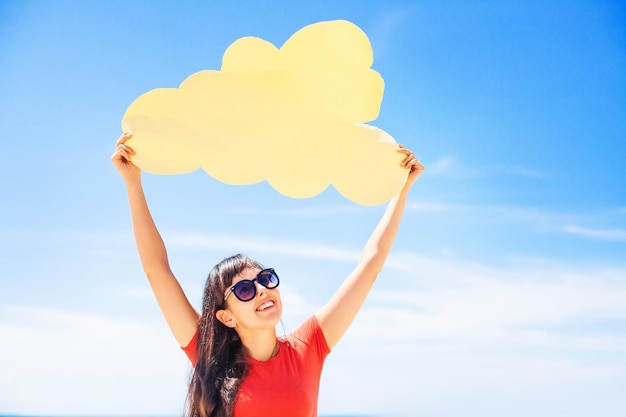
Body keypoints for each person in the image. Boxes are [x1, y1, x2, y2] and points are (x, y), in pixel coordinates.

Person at [111, 133, 424, 417]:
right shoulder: (207, 357)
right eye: (245, 290)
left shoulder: (308, 347)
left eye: (266, 280)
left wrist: (402, 189)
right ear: (225, 317)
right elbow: (156, 269)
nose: (261, 290)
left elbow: (370, 266)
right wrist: (133, 183)